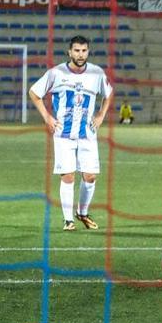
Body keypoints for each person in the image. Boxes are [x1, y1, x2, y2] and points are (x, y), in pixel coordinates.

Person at [29, 35, 113, 232]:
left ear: (88, 52)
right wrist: (47, 117)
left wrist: (101, 114)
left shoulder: (96, 73)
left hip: (88, 134)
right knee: (68, 176)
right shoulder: (56, 73)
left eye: (84, 50)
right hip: (63, 134)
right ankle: (68, 220)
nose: (80, 54)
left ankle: (82, 213)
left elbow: (108, 94)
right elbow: (34, 93)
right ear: (69, 52)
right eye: (76, 50)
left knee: (90, 176)